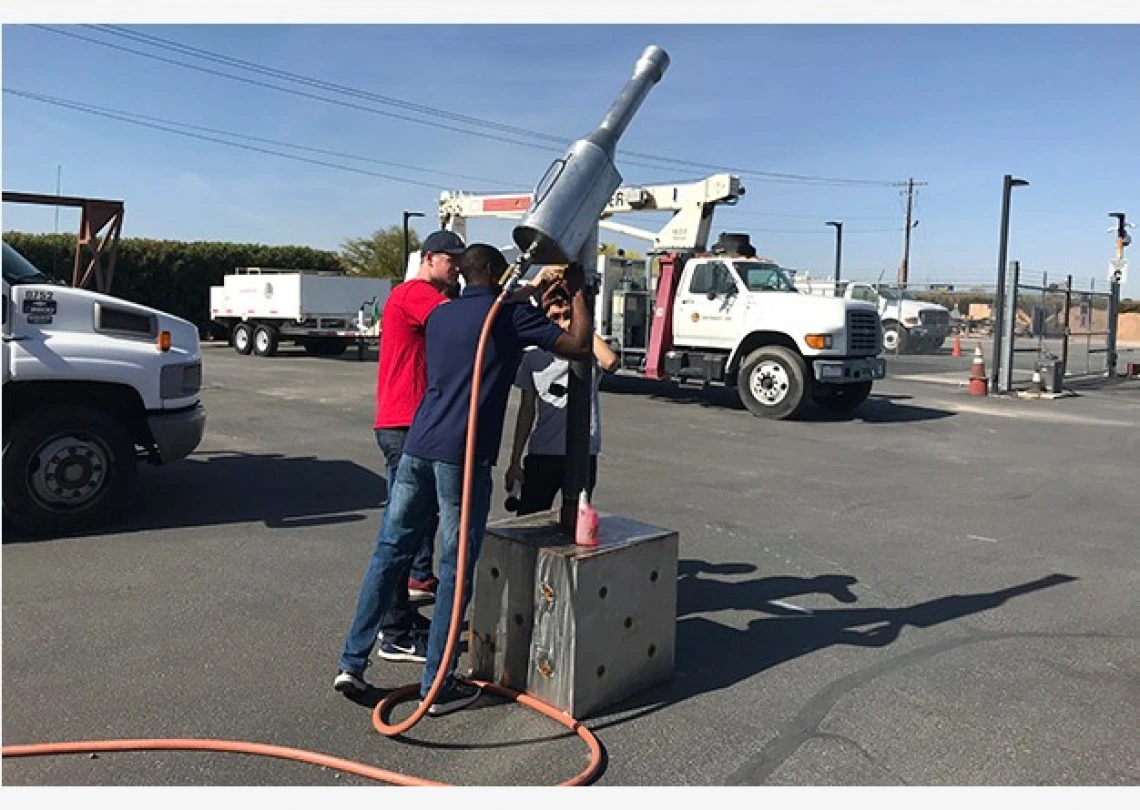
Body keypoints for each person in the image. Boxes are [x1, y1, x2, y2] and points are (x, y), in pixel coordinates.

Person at [334, 244, 592, 716]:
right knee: (455, 568)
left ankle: (351, 662)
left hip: (418, 445)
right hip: (463, 455)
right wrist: (577, 292)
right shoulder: (507, 318)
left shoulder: (442, 316)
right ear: (495, 273)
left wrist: (528, 295)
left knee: (389, 551)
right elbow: (577, 346)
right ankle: (438, 684)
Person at [370, 229, 466, 664]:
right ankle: (393, 632)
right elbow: (467, 325)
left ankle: (402, 616)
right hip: (405, 426)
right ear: (429, 259)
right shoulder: (416, 294)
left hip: (412, 425)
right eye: (452, 260)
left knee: (411, 526)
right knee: (400, 533)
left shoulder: (424, 297)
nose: (458, 268)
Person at [504, 281, 620, 515]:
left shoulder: (588, 355)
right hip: (543, 452)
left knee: (576, 519)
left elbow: (610, 362)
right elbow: (527, 410)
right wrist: (515, 461)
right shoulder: (534, 358)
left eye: (567, 315)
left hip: (582, 452)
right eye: (555, 317)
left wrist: (581, 328)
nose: (562, 322)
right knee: (530, 517)